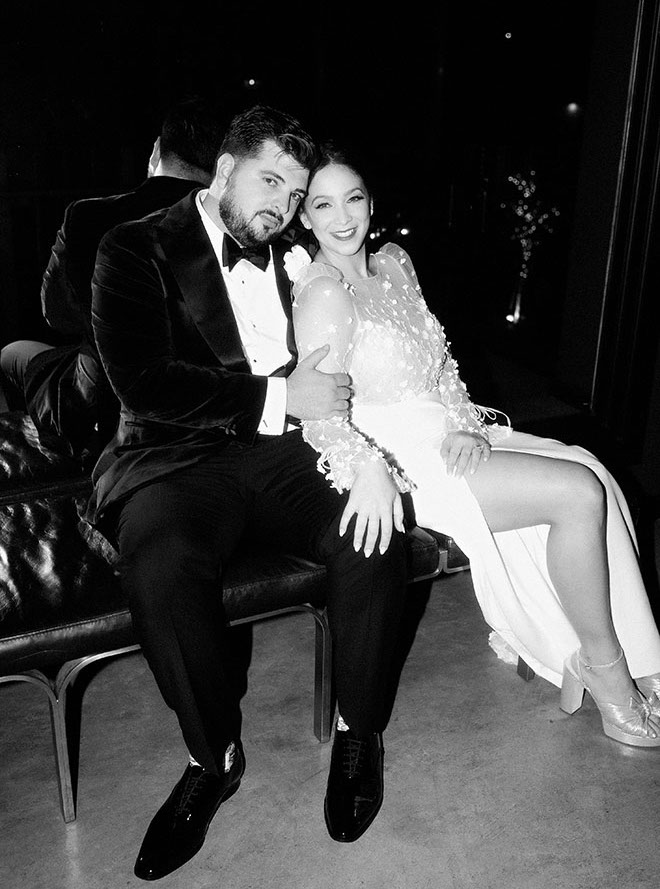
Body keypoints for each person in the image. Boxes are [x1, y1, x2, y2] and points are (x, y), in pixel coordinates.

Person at [84, 106, 408, 880]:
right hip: (174, 460)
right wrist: (278, 401)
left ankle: (356, 730)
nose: (284, 206)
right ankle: (212, 754)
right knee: (161, 565)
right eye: (271, 182)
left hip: (286, 457)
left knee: (376, 527)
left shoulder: (297, 254)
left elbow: (345, 367)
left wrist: (368, 458)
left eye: (295, 193)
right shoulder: (134, 248)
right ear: (224, 172)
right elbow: (144, 382)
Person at [287, 143, 660, 751]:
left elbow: (443, 366)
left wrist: (462, 423)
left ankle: (646, 663)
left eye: (352, 198)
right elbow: (319, 416)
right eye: (321, 204)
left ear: (371, 202)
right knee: (577, 493)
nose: (341, 217)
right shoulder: (324, 294)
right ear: (304, 216)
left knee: (588, 465)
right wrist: (374, 470)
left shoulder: (394, 263)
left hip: (451, 434)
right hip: (401, 460)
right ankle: (608, 673)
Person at [0, 95, 228, 461]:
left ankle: (37, 459)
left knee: (12, 353)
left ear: (156, 152)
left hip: (101, 408)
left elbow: (56, 315)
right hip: (203, 406)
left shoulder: (88, 216)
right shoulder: (227, 226)